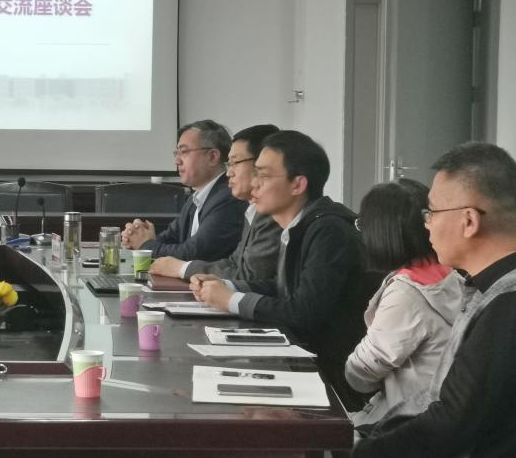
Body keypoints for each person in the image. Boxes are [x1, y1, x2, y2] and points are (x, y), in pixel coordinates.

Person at [351, 143, 516, 458]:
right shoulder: (487, 287)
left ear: (469, 221)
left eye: (432, 212)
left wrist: (361, 457)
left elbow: (451, 426)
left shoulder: (507, 305)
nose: (426, 225)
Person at [190, 130, 367, 409]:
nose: (254, 184)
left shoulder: (328, 231)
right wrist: (227, 287)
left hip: (333, 383)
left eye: (263, 175)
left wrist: (231, 300)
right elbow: (283, 287)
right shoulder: (300, 225)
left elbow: (303, 311)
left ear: (298, 184)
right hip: (305, 364)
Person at [345, 179, 464, 427]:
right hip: (435, 416)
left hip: (402, 422)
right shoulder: (453, 274)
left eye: (362, 224)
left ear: (380, 232)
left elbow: (362, 372)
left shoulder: (406, 294)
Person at [150, 123, 281, 283]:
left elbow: (246, 275)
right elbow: (235, 264)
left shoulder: (237, 203)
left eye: (235, 163)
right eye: (229, 164)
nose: (229, 172)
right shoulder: (196, 198)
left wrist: (179, 267)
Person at [122, 119, 246, 262]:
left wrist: (145, 245)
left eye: (184, 152)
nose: (177, 161)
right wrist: (138, 236)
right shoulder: (197, 197)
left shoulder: (229, 198)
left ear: (212, 157)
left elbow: (193, 254)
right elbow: (170, 237)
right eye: (177, 153)